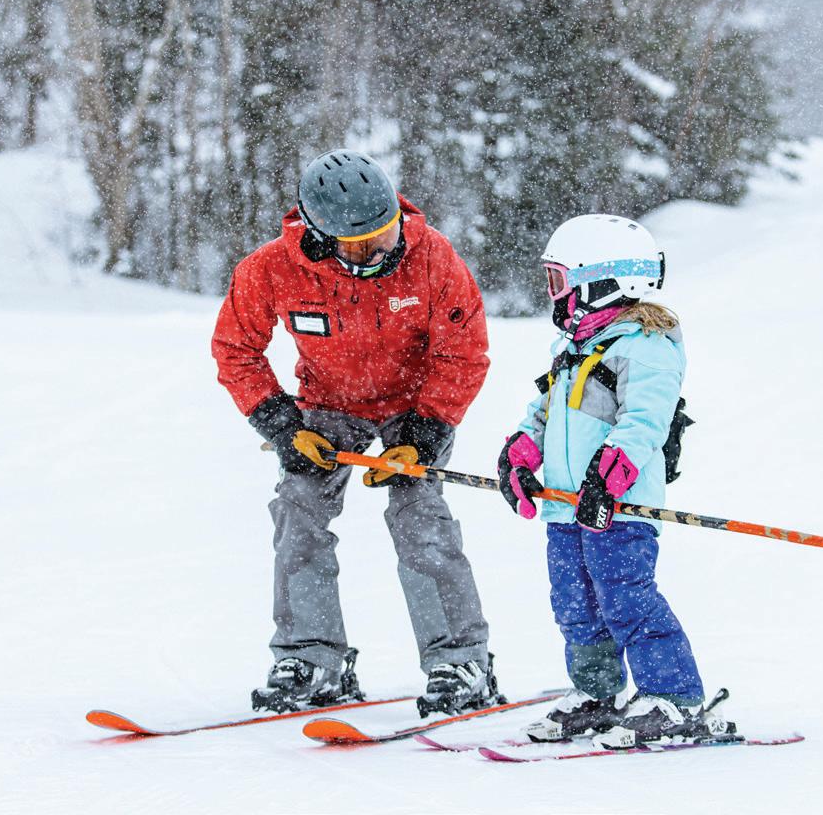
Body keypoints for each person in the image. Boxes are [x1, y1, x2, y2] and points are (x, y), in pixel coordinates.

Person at [212, 149, 500, 716]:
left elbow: (464, 354)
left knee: (420, 519)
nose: (376, 249)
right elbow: (235, 348)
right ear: (318, 237)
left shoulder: (432, 258)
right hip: (326, 405)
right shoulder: (270, 269)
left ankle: (461, 661)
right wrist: (283, 425)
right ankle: (312, 659)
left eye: (384, 232)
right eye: (357, 242)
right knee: (299, 513)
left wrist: (421, 437)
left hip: (413, 407)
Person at [496, 214, 732, 748]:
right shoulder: (573, 349)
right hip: (564, 506)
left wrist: (608, 479)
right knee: (574, 603)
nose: (553, 295)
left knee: (625, 597)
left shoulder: (647, 344)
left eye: (560, 282)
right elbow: (542, 410)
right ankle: (597, 694)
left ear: (603, 284)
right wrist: (520, 449)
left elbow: (644, 421)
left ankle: (673, 698)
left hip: (618, 508)